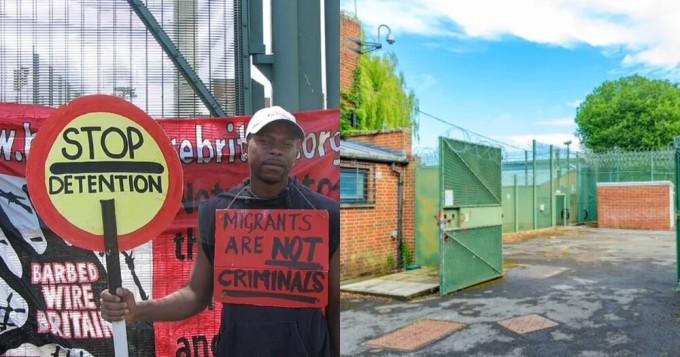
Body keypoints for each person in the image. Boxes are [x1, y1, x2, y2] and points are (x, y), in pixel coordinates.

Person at [99, 106, 340, 357]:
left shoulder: (325, 215)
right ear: (246, 149)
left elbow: (336, 304)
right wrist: (137, 310)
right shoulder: (218, 212)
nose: (276, 150)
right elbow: (195, 295)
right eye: (265, 141)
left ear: (296, 153)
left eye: (287, 144)